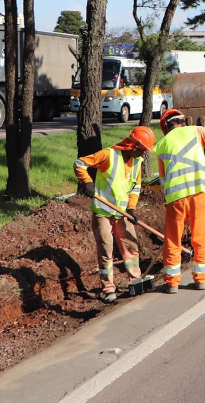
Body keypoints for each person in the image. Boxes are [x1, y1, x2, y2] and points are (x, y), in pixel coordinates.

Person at [74, 126, 155, 302]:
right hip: (103, 212)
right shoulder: (109, 155)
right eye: (142, 150)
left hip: (122, 213)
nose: (143, 155)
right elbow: (79, 163)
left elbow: (136, 187)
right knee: (106, 250)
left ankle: (135, 280)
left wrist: (131, 208)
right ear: (133, 146)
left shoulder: (137, 162)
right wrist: (86, 182)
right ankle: (108, 288)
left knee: (131, 246)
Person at [154, 109, 205, 293]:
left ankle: (171, 282)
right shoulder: (197, 131)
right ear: (182, 121)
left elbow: (162, 179)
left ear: (165, 126)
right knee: (201, 236)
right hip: (200, 193)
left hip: (175, 199)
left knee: (172, 238)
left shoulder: (162, 144)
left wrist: (168, 197)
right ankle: (200, 279)